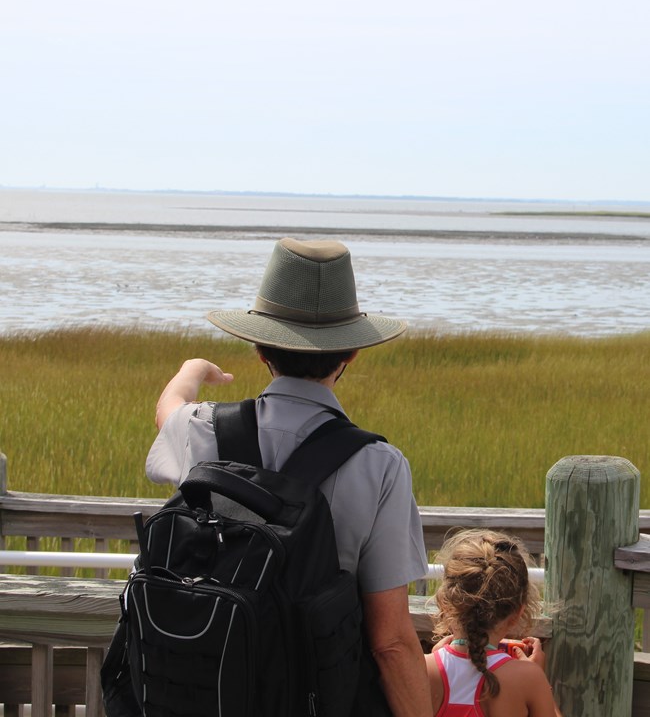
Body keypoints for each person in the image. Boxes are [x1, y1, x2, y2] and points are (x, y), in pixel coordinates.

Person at [145, 237, 433, 717]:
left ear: (259, 348)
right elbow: (390, 642)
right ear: (352, 355)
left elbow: (166, 411)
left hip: (210, 693)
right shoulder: (380, 464)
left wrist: (191, 368)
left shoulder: (204, 431)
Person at [425, 529, 562, 717]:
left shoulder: (421, 671)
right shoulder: (527, 679)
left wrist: (436, 659)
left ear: (444, 604)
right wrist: (541, 684)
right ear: (518, 614)